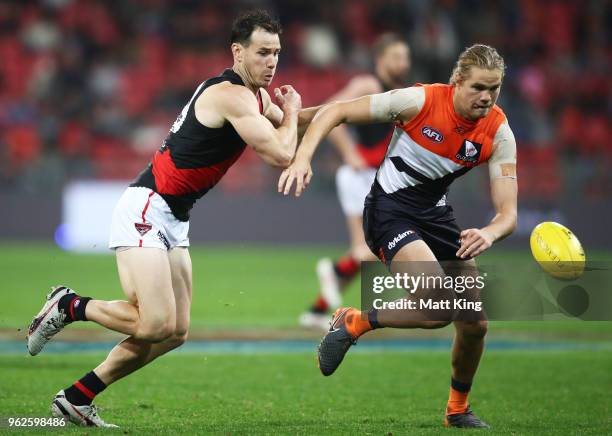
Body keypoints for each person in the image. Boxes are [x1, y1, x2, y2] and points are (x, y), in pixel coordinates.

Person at [27, 10, 309, 427]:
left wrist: (361, 113)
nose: (272, 62)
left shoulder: (257, 99)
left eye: (277, 53)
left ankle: (76, 397)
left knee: (174, 332)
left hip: (174, 217)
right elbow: (282, 153)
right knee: (154, 321)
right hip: (147, 205)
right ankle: (69, 305)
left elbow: (296, 123)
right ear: (238, 52)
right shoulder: (230, 95)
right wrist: (294, 111)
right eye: (263, 52)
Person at [279, 44, 518, 428]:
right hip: (389, 212)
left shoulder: (499, 131)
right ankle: (354, 321)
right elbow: (336, 111)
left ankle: (457, 410)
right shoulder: (418, 100)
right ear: (457, 82)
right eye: (478, 87)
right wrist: (302, 156)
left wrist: (490, 233)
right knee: (439, 307)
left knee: (475, 323)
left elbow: (508, 214)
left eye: (494, 88)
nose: (486, 97)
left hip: (437, 216)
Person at [299, 34, 411, 330]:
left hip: (375, 177)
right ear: (380, 60)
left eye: (405, 57)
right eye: (397, 57)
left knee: (367, 254)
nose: (404, 63)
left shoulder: (399, 91)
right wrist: (348, 152)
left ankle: (316, 310)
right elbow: (326, 112)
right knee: (372, 251)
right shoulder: (368, 84)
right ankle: (332, 270)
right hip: (360, 176)